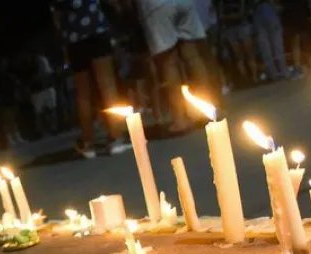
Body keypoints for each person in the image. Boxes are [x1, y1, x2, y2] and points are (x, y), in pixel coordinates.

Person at [51, 0, 131, 159]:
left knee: (82, 93)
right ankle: (116, 137)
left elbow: (57, 19)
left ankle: (88, 143)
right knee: (107, 85)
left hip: (74, 38)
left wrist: (64, 42)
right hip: (96, 29)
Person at [136, 0, 212, 131]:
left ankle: (180, 118)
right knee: (193, 56)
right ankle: (207, 109)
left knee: (168, 63)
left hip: (156, 6)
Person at [219, 0, 259, 84]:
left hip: (242, 26)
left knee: (249, 53)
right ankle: (245, 78)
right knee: (238, 56)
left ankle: (255, 77)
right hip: (230, 28)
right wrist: (233, 17)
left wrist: (229, 17)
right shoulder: (222, 2)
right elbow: (221, 15)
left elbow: (242, 13)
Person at [252, 0, 289, 80]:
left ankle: (282, 71)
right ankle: (274, 74)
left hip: (268, 8)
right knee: (265, 47)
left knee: (277, 45)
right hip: (258, 11)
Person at [281, 0, 311, 76]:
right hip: (293, 14)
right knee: (297, 41)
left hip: (299, 13)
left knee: (304, 40)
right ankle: (299, 66)